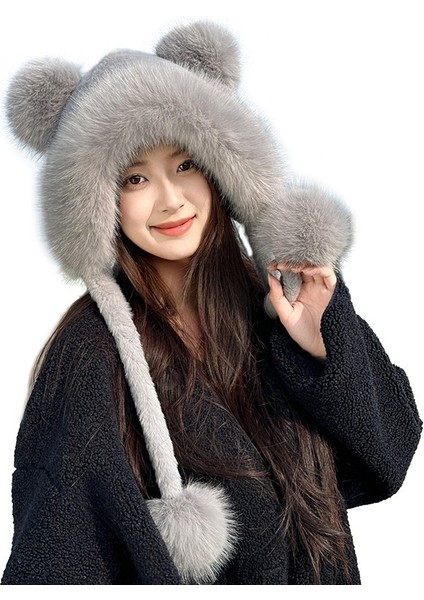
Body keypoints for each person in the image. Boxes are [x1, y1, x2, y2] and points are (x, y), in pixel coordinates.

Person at [1, 21, 421, 586]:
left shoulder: (275, 311)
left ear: (220, 168)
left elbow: (389, 458)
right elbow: (52, 567)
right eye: (134, 179)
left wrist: (323, 348)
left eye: (185, 165)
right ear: (100, 203)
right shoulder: (88, 358)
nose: (170, 199)